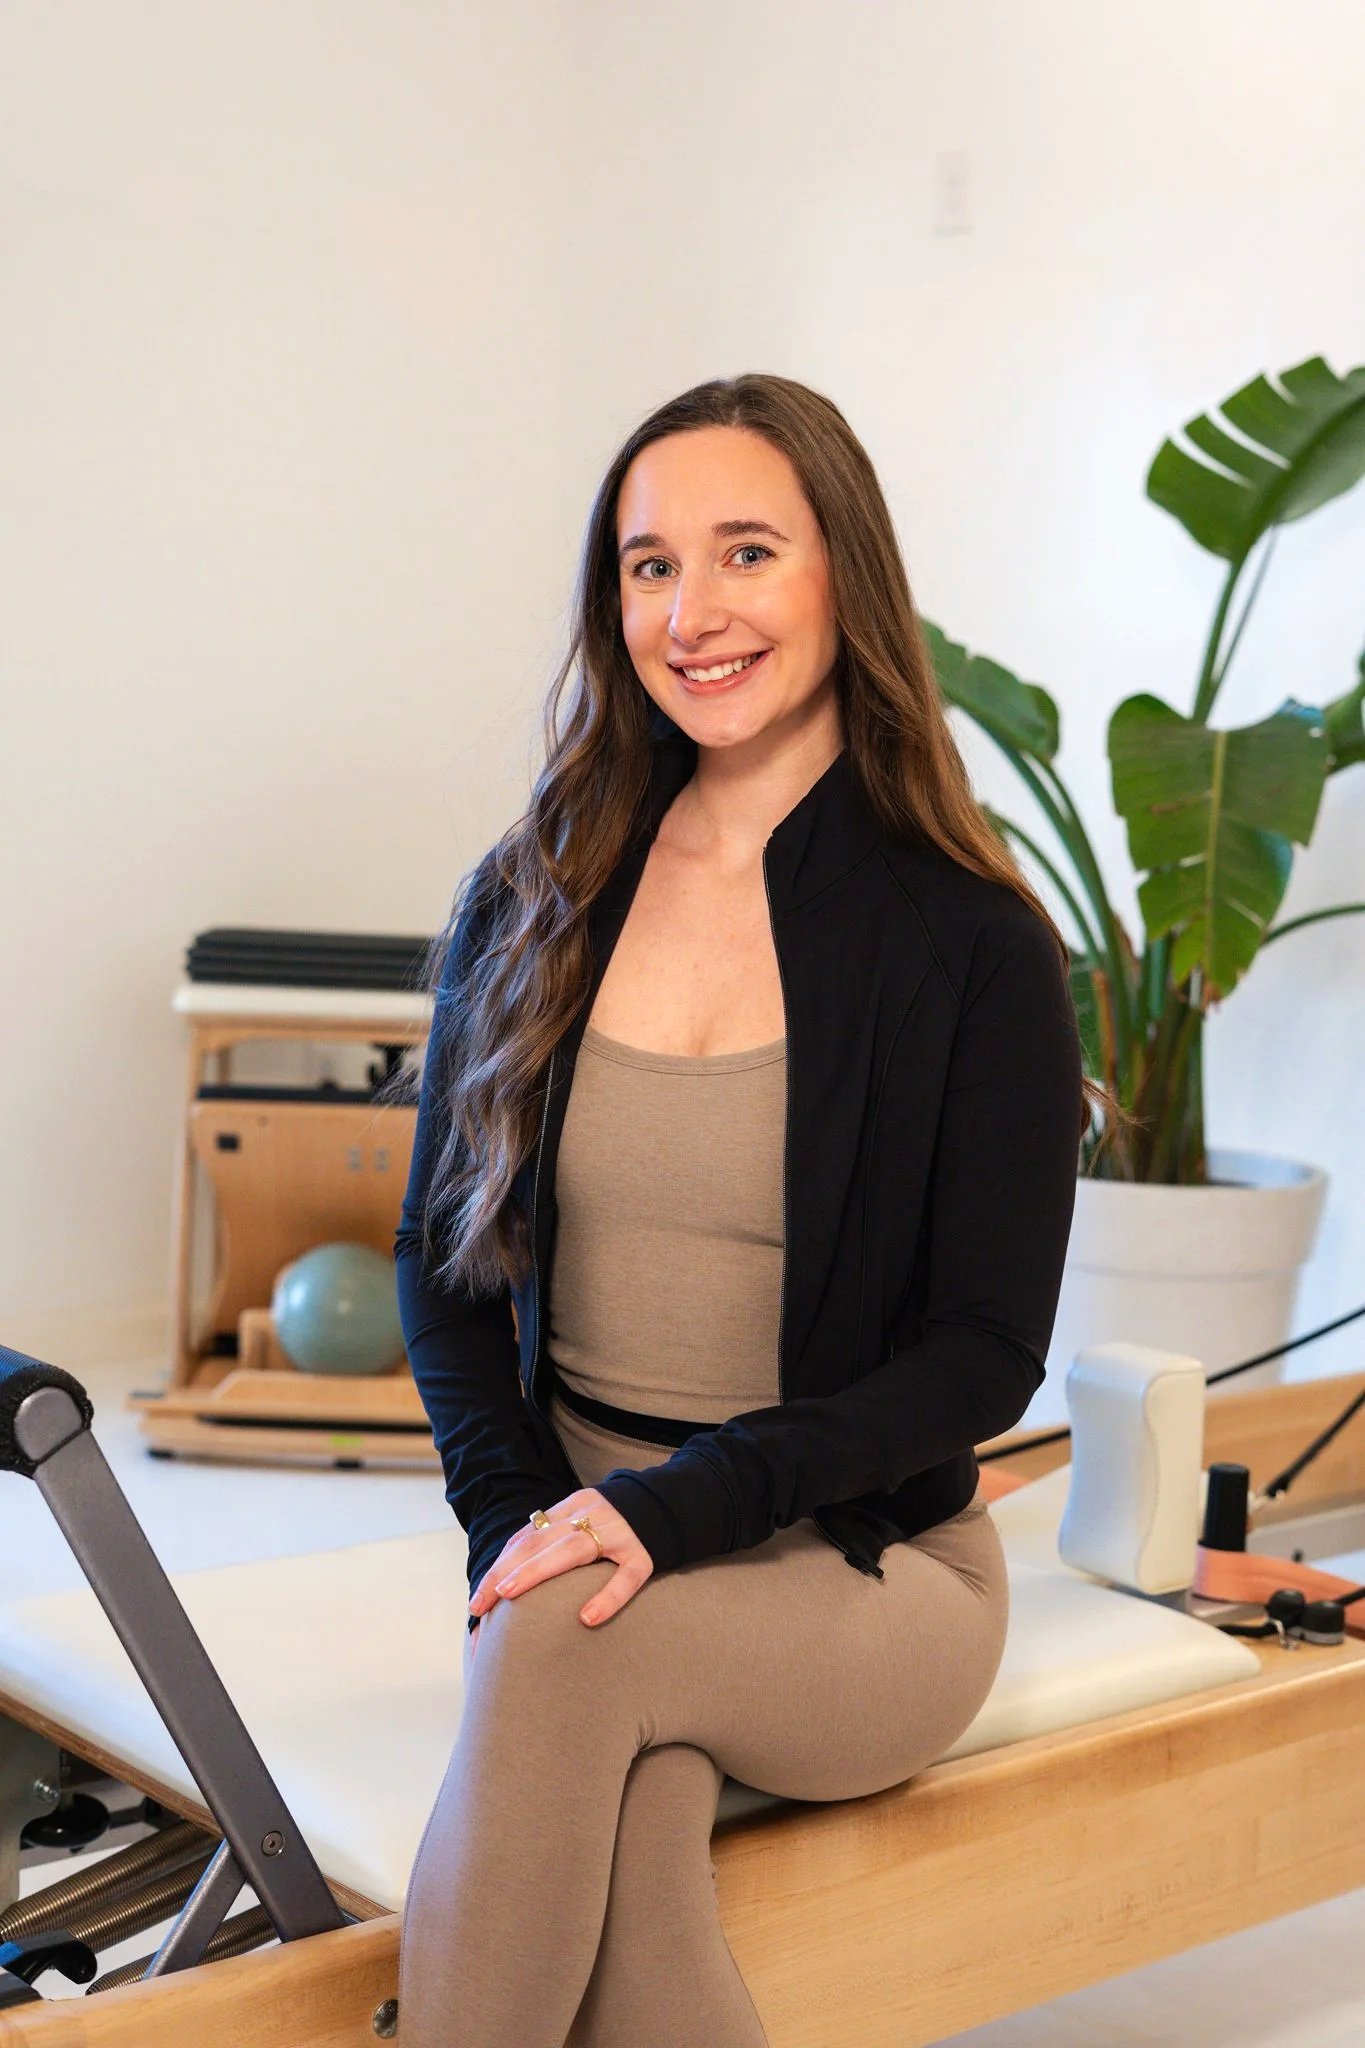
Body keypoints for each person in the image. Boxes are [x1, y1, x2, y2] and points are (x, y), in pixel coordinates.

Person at [391, 374, 1116, 2047]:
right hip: (581, 1543)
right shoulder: (533, 887)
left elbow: (983, 1353)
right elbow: (436, 1264)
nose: (690, 613)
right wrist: (517, 1521)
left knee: (569, 1651)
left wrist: (672, 1516)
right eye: (648, 567)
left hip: (855, 1567)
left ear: (841, 576)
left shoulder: (971, 941)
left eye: (743, 554)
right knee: (627, 1824)